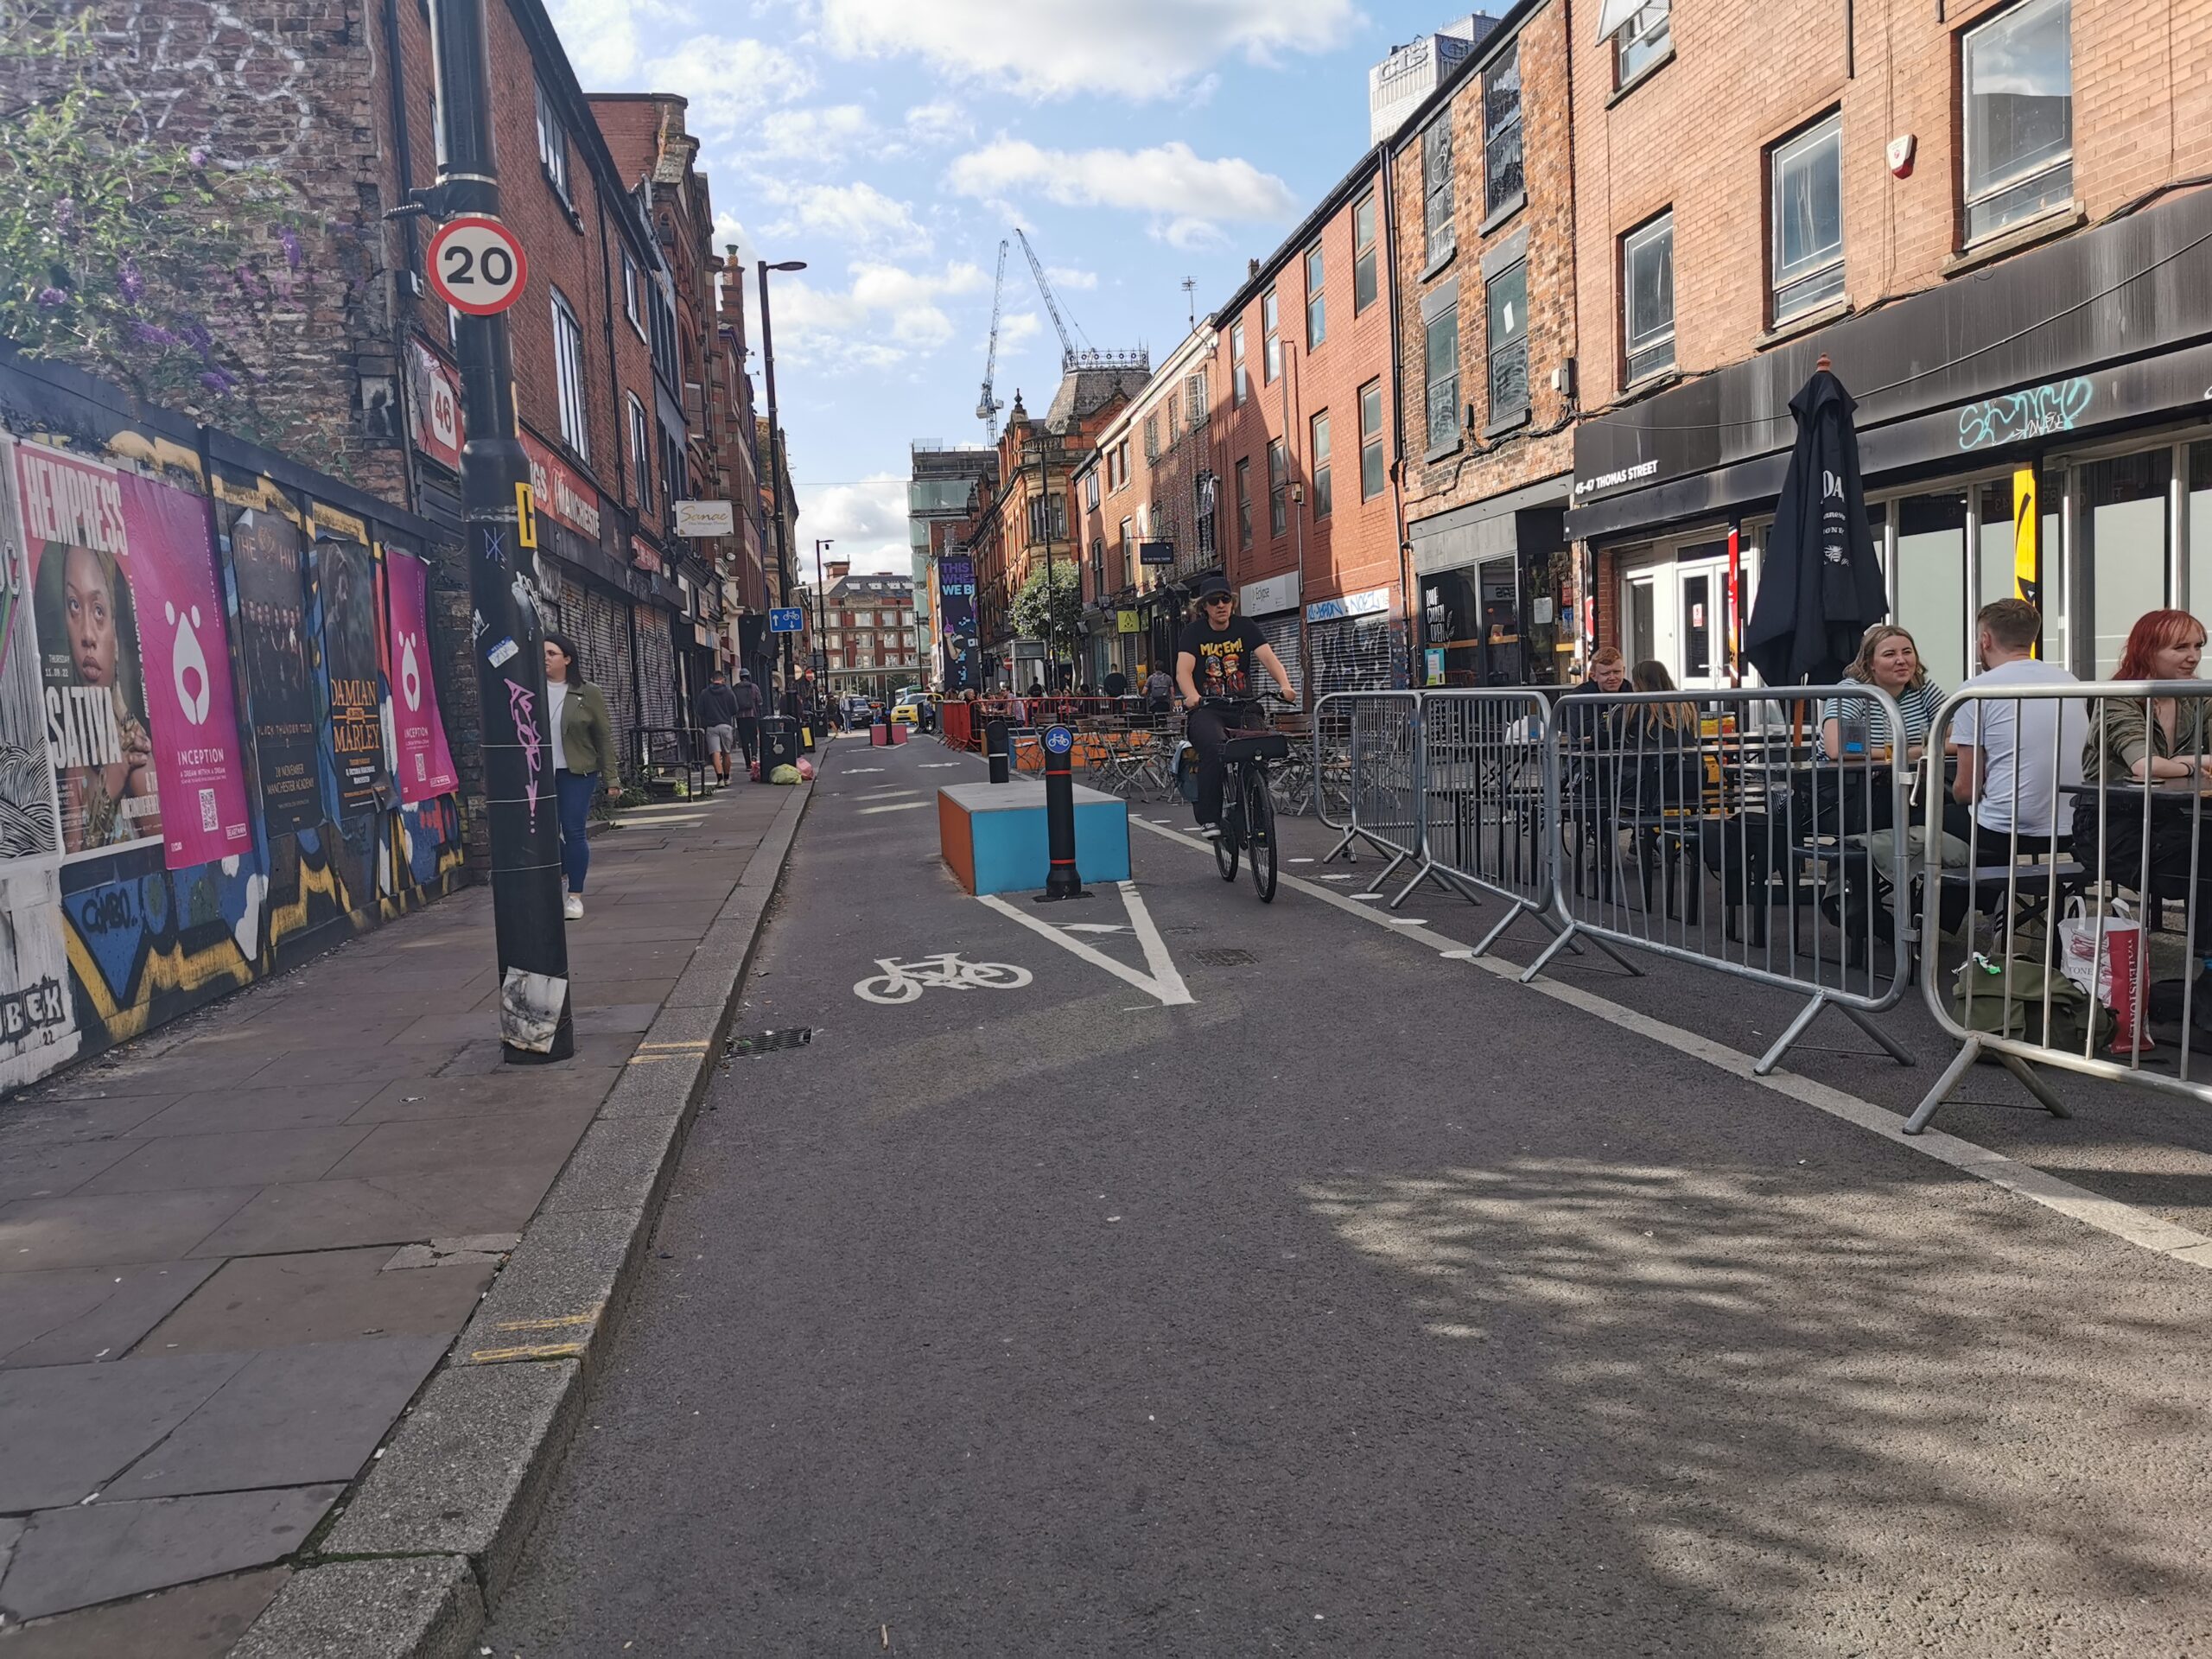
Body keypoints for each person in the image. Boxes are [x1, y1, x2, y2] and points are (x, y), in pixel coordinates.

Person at [2075, 609, 2212, 1005]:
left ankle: (2207, 978)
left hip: (2170, 819)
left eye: (2198, 646)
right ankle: (2208, 977)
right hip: (2110, 825)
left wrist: (2183, 762)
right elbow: (2145, 765)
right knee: (2207, 858)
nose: (2193, 656)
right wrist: (2197, 763)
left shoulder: (2197, 696)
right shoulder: (2120, 696)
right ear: (2148, 650)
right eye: (2180, 647)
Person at [1950, 598, 2084, 857]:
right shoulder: (2070, 681)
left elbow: (1966, 789)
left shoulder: (1975, 690)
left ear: (1985, 640)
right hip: (2073, 829)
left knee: (1922, 818)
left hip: (2006, 832)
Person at [1175, 572, 1296, 831]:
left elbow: (1269, 659)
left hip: (1243, 705)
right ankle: (1210, 818)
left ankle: (1252, 816)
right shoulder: (1193, 632)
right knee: (1214, 748)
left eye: (1226, 599)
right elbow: (1183, 671)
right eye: (1214, 601)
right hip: (1208, 708)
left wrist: (1285, 685)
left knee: (1259, 751)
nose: (1221, 605)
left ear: (1232, 602)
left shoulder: (1245, 627)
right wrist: (1191, 695)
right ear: (1204, 607)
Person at [544, 631, 614, 921]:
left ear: (567, 659)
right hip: (540, 773)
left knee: (573, 830)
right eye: (542, 653)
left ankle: (574, 896)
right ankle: (565, 869)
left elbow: (603, 737)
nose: (545, 659)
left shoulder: (588, 692)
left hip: (577, 772)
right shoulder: (530, 690)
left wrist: (612, 779)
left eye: (551, 653)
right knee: (544, 830)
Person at [1821, 625, 1948, 760]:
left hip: (1906, 772)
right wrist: (1900, 754)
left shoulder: (1923, 687)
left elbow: (1959, 738)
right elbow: (1838, 748)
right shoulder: (1853, 692)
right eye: (1889, 654)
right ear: (1870, 663)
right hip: (1847, 773)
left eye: (1907, 652)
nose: (1901, 660)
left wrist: (1909, 753)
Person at [693, 669, 741, 785]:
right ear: (723, 680)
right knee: (726, 752)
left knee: (715, 752)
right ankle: (727, 778)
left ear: (712, 680)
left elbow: (699, 710)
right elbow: (735, 709)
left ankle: (719, 779)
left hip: (711, 727)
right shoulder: (729, 692)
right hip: (726, 725)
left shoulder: (704, 693)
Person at [729, 671, 762, 773]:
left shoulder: (735, 688)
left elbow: (732, 703)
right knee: (753, 738)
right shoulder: (753, 687)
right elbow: (760, 701)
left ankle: (748, 764)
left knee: (744, 741)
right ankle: (754, 756)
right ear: (748, 676)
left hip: (740, 718)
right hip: (752, 716)